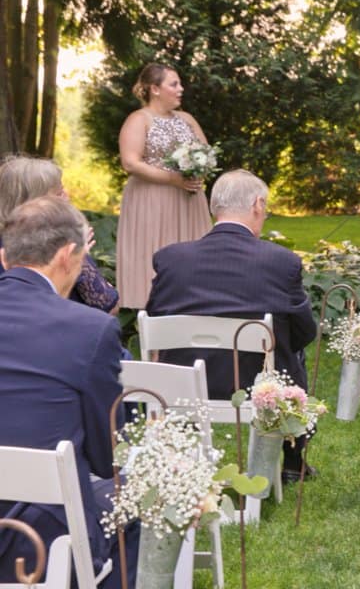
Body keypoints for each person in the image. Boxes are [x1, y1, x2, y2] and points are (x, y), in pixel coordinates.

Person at [145, 169, 319, 483]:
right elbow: (305, 331)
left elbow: (155, 316)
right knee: (295, 351)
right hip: (256, 387)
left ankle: (172, 460)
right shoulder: (281, 261)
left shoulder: (171, 259)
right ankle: (293, 460)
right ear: (257, 205)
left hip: (182, 383)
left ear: (214, 207)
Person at [0, 197, 137, 588]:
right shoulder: (89, 330)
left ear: (5, 259)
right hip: (36, 540)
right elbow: (106, 453)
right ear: (66, 256)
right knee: (130, 503)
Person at [116, 63, 211, 309]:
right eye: (174, 84)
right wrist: (173, 179)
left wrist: (198, 168)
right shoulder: (139, 119)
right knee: (154, 253)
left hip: (189, 200)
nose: (181, 89)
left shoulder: (187, 119)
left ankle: (193, 311)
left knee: (194, 255)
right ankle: (155, 328)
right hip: (152, 201)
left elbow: (206, 153)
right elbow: (130, 163)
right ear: (154, 89)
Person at [0, 155, 118, 313]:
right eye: (59, 193)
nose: (67, 197)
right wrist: (78, 260)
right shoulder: (59, 243)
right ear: (33, 202)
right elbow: (109, 308)